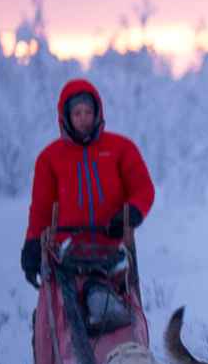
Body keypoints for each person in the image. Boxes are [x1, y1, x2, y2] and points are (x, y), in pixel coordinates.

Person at [20, 78, 155, 286]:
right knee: (64, 314)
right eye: (77, 113)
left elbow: (143, 189)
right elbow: (41, 210)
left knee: (117, 312)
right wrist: (32, 244)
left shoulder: (121, 148)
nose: (83, 119)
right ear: (66, 117)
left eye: (88, 112)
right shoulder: (49, 158)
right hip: (65, 254)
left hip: (113, 248)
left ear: (97, 113)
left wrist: (131, 214)